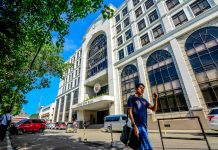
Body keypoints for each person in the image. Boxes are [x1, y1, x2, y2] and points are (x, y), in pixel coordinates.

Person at [128, 83, 158, 150]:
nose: (142, 89)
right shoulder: (131, 98)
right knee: (148, 146)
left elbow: (154, 109)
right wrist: (135, 126)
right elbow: (130, 113)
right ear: (136, 89)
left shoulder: (144, 100)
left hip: (145, 126)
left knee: (141, 146)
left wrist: (156, 99)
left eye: (143, 89)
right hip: (138, 126)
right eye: (140, 88)